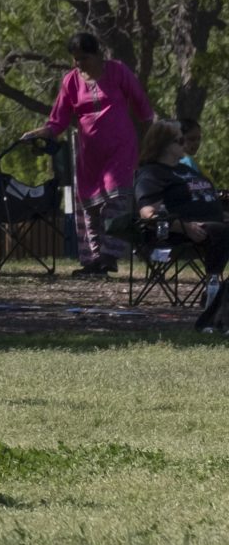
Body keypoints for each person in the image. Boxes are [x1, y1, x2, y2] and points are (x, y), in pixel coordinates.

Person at [25, 31, 154, 276]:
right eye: (75, 59)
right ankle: (94, 260)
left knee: (115, 199)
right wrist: (40, 133)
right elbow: (58, 122)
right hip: (88, 154)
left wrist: (149, 141)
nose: (79, 63)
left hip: (121, 149)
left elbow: (142, 106)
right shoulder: (71, 81)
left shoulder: (117, 71)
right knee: (91, 205)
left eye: (83, 58)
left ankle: (110, 255)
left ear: (97, 54)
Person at [132, 120, 228, 329]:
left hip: (212, 225)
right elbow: (149, 213)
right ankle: (213, 298)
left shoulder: (188, 171)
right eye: (180, 140)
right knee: (221, 232)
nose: (186, 144)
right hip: (174, 234)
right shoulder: (152, 173)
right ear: (164, 144)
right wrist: (185, 226)